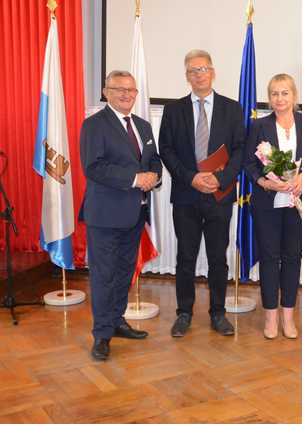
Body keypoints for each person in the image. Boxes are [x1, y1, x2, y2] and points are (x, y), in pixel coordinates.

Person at [158, 49, 245, 337]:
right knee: (186, 257)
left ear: (213, 72)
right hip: (186, 195)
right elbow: (166, 151)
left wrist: (220, 179)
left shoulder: (232, 109)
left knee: (218, 258)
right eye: (193, 70)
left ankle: (218, 313)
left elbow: (240, 151)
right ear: (187, 77)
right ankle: (184, 313)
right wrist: (192, 178)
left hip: (219, 196)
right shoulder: (173, 110)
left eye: (204, 68)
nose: (199, 74)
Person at [79, 70, 162, 361]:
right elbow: (93, 167)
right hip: (105, 215)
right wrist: (135, 179)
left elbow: (154, 160)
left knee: (125, 271)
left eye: (131, 90)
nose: (126, 94)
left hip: (135, 213)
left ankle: (116, 321)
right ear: (106, 92)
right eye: (119, 89)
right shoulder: (94, 125)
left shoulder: (141, 125)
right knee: (104, 275)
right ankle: (101, 335)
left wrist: (154, 176)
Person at [244, 74, 302, 339]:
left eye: (284, 93)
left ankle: (288, 317)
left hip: (299, 201)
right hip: (268, 202)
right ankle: (270, 317)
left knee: (292, 257)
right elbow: (249, 164)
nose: (280, 98)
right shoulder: (259, 125)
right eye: (274, 94)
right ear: (270, 98)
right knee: (269, 258)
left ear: (294, 95)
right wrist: (266, 183)